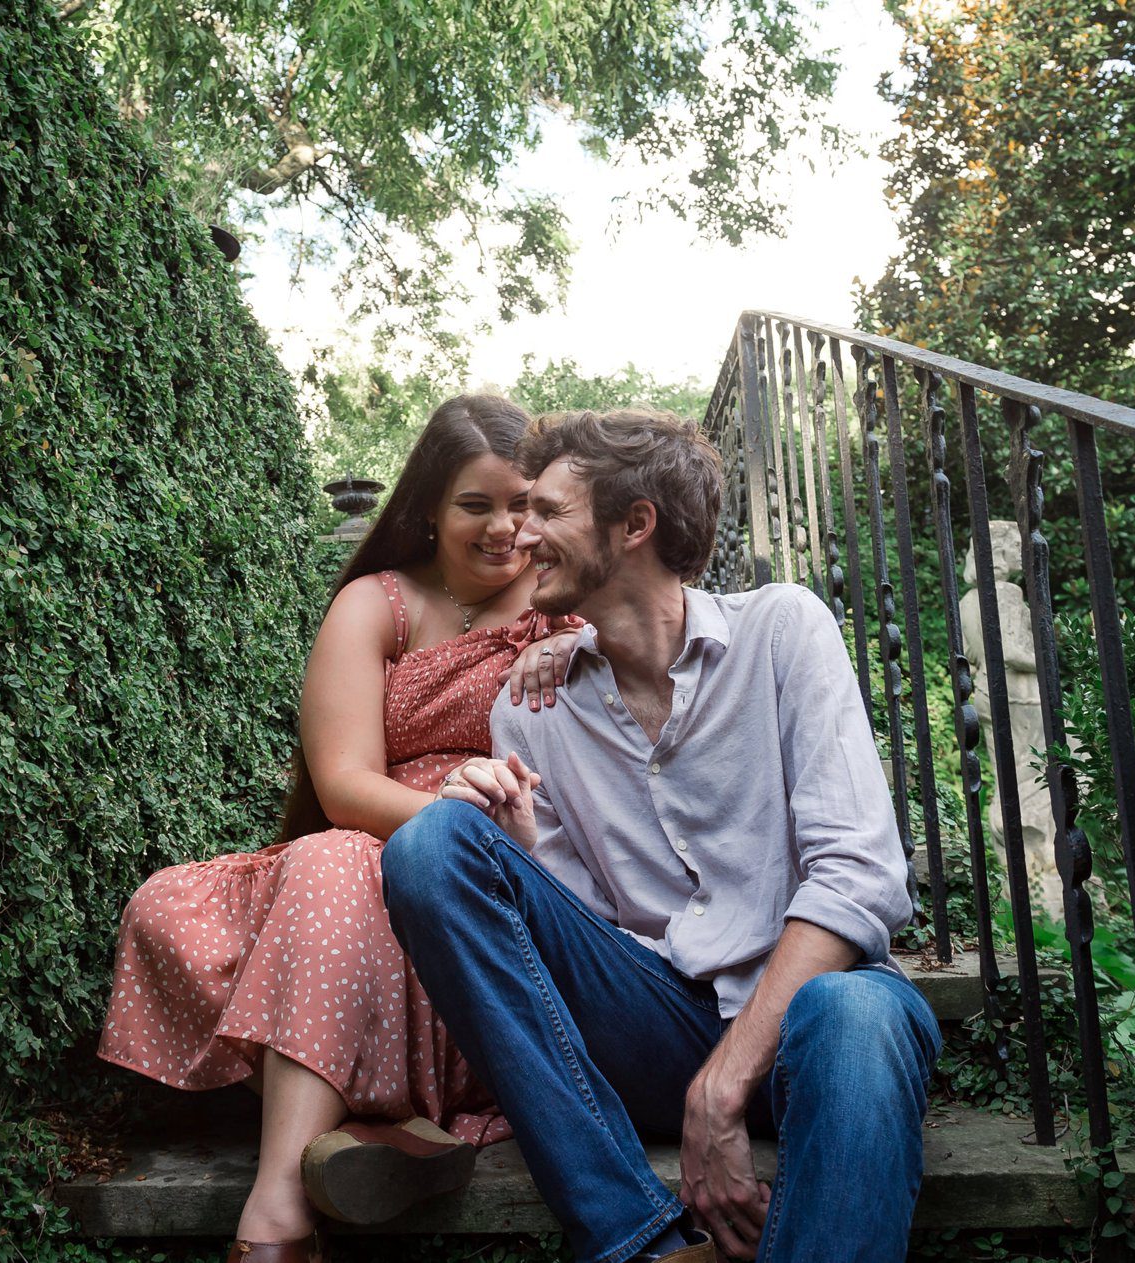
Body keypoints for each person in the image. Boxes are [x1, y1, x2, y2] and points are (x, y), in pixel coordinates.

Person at [382, 409, 941, 1263]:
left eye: (548, 511)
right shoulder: (531, 707)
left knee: (856, 1005)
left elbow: (860, 877)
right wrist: (518, 845)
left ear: (634, 523)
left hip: (812, 1025)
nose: (520, 535)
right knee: (433, 843)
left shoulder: (782, 629)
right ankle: (640, 1241)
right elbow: (586, 942)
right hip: (653, 1019)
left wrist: (722, 1087)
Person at [97, 395, 580, 1263]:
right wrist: (443, 820)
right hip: (374, 849)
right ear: (429, 507)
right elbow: (346, 782)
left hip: (494, 877)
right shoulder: (379, 601)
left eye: (523, 504)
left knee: (333, 867)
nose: (504, 528)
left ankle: (277, 1210)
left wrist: (572, 643)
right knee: (167, 909)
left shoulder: (567, 604)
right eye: (477, 504)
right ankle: (364, 1119)